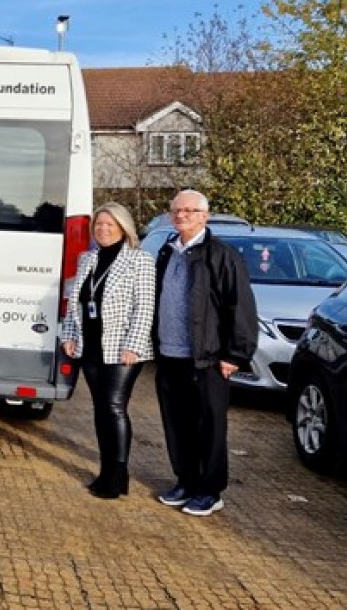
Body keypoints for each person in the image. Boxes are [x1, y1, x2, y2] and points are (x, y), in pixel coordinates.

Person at [153, 189, 258, 517]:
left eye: (189, 211)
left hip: (208, 358)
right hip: (170, 355)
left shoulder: (222, 255)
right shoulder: (167, 252)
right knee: (177, 423)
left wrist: (234, 354)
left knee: (210, 425)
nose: (181, 216)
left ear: (204, 216)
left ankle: (210, 490)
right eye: (176, 211)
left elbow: (239, 306)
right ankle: (185, 480)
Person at [61, 202, 155, 499]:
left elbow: (145, 306)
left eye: (109, 225)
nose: (103, 229)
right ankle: (107, 471)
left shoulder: (139, 260)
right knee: (101, 410)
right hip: (90, 347)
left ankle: (117, 475)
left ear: (123, 228)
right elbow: (75, 302)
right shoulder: (87, 258)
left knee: (114, 407)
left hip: (121, 349)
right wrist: (69, 335)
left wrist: (134, 345)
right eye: (99, 225)